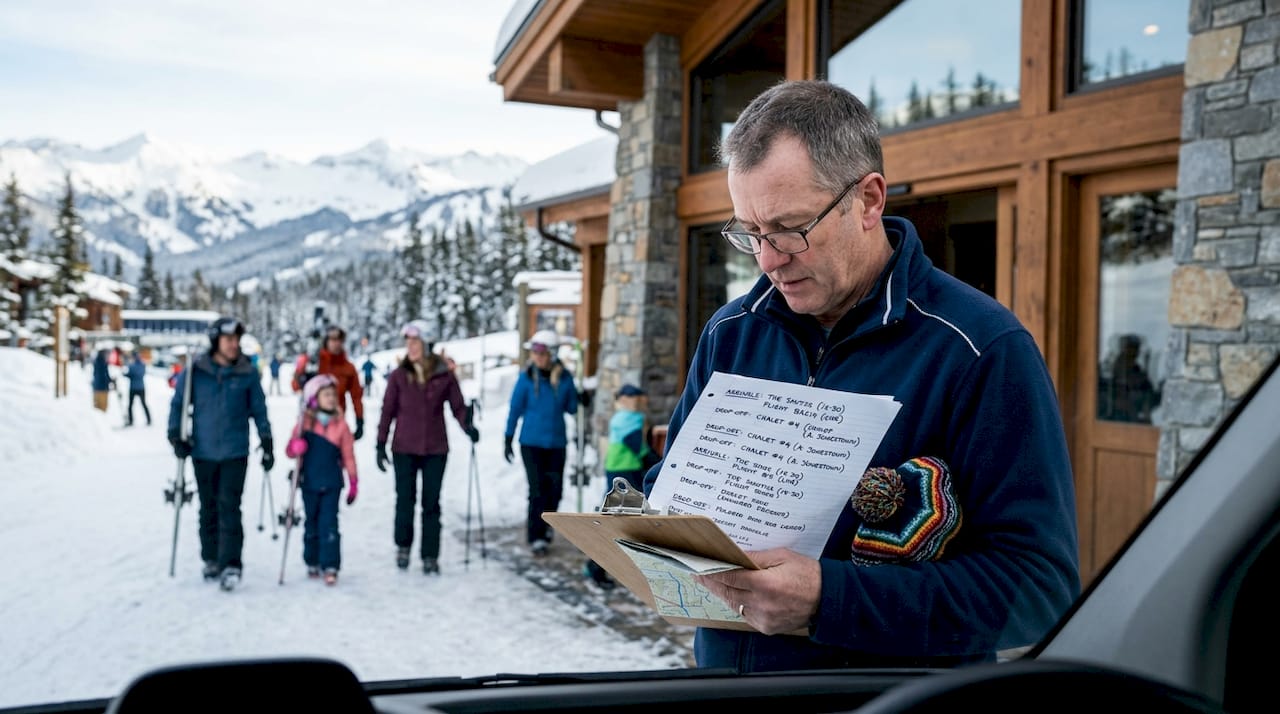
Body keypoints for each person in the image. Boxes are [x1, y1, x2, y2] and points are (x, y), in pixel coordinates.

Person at [643, 80, 1079, 672]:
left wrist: (829, 599)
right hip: (728, 689)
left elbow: (1038, 590)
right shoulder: (731, 332)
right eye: (749, 232)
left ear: (869, 201)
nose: (768, 260)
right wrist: (644, 526)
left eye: (791, 227)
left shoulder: (981, 349)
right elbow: (676, 490)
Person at [168, 316, 274, 591]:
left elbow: (259, 409)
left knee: (229, 505)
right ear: (216, 340)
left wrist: (266, 438)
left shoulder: (246, 372)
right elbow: (179, 404)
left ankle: (231, 564)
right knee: (208, 507)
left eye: (236, 340)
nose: (233, 345)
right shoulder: (196, 371)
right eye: (228, 340)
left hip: (235, 451)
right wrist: (175, 435)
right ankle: (211, 557)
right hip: (202, 450)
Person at [375, 320, 478, 574]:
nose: (410, 347)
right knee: (405, 501)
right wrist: (380, 443)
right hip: (403, 448)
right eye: (408, 343)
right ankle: (403, 547)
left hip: (435, 449)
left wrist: (468, 425)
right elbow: (388, 410)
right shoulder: (399, 375)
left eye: (415, 343)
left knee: (431, 504)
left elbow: (457, 407)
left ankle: (430, 555)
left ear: (427, 345)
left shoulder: (444, 375)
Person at [503, 328, 579, 557]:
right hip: (531, 443)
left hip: (556, 443)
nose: (537, 357)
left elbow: (571, 407)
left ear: (552, 354)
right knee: (537, 490)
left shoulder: (564, 379)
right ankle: (535, 535)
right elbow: (515, 409)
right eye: (534, 352)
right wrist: (508, 437)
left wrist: (581, 397)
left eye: (542, 353)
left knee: (555, 490)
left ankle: (547, 529)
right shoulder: (526, 378)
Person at [285, 374, 358, 585]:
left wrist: (353, 480)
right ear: (314, 399)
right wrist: (295, 447)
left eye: (333, 395)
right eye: (326, 394)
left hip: (332, 482)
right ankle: (312, 560)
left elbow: (348, 455)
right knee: (312, 522)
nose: (332, 398)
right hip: (309, 482)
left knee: (329, 523)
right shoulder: (305, 424)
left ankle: (330, 563)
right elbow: (290, 450)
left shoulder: (341, 426)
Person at [584, 383, 659, 588]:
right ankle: (595, 567)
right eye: (635, 398)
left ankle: (599, 566)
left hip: (624, 471)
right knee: (618, 523)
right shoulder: (628, 419)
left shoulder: (626, 417)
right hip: (625, 474)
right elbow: (635, 446)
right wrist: (656, 460)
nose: (639, 402)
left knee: (620, 522)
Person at [292, 325, 365, 441]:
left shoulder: (348, 367)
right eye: (333, 340)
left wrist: (360, 419)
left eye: (339, 340)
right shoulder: (314, 361)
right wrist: (302, 372)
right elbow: (296, 386)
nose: (336, 343)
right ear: (326, 341)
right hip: (312, 421)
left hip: (336, 423)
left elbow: (356, 396)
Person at [124, 351, 151, 426]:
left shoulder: (132, 366)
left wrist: (125, 375)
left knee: (130, 405)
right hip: (141, 387)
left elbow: (130, 374)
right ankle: (149, 419)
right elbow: (141, 374)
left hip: (133, 387)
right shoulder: (143, 365)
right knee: (143, 404)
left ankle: (131, 420)